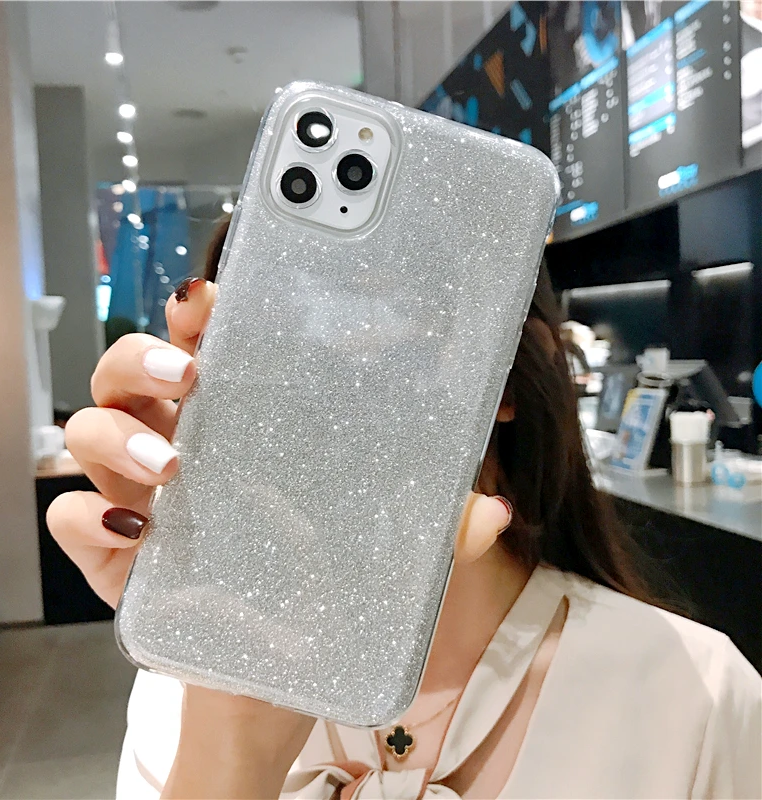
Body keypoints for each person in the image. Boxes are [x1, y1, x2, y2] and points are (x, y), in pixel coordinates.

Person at [47, 217, 761, 799]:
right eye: (285, 342)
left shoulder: (690, 695)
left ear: (507, 378)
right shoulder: (191, 683)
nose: (333, 385)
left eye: (394, 325)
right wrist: (233, 744)